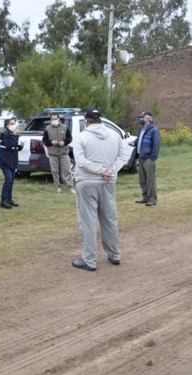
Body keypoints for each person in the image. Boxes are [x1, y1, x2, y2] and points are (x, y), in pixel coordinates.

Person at [70, 108, 129, 271]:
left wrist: (100, 170)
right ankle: (114, 254)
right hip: (109, 181)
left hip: (87, 182)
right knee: (109, 218)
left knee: (88, 221)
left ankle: (89, 259)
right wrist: (111, 170)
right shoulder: (115, 136)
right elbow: (123, 157)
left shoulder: (81, 137)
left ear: (86, 121)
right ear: (100, 120)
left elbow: (81, 162)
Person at [133, 111, 161, 207]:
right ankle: (145, 197)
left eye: (142, 117)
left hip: (148, 158)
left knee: (150, 179)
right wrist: (135, 143)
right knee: (142, 179)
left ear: (148, 118)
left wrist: (152, 157)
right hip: (140, 157)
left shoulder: (154, 130)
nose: (140, 119)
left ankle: (152, 198)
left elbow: (156, 145)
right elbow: (139, 140)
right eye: (140, 117)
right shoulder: (141, 129)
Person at [42, 112, 74, 194]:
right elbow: (44, 141)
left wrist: (64, 142)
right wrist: (51, 142)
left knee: (67, 170)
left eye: (56, 119)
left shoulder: (65, 127)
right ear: (50, 119)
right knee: (54, 171)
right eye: (52, 119)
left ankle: (70, 186)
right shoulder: (47, 129)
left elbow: (70, 138)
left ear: (59, 119)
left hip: (64, 153)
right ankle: (58, 187)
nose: (54, 120)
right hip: (53, 154)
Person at [0, 118, 23, 208]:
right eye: (11, 123)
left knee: (11, 181)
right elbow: (8, 145)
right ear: (7, 125)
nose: (14, 125)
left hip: (13, 160)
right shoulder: (4, 134)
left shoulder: (15, 134)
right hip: (5, 161)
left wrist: (20, 146)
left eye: (14, 123)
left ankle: (9, 199)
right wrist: (13, 135)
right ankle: (3, 200)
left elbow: (15, 146)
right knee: (8, 179)